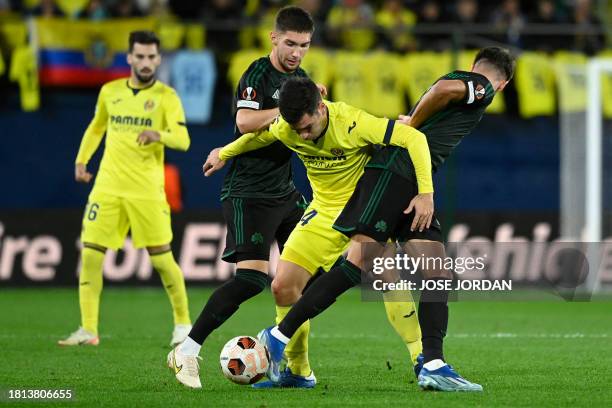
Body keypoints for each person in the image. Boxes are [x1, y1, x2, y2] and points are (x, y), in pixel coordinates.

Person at [258, 46, 516, 392]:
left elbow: (441, 91)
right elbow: (442, 90)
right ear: (505, 83)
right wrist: (416, 125)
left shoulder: (464, 77)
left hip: (406, 176)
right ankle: (278, 335)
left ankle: (434, 364)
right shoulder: (481, 87)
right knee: (361, 261)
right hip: (396, 173)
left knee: (436, 271)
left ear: (473, 64)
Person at [202, 76, 434, 386]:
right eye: (297, 130)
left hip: (364, 208)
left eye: (307, 128)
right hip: (323, 211)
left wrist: (426, 193)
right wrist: (225, 152)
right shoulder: (289, 127)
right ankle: (298, 372)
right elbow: (259, 138)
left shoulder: (353, 122)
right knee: (282, 286)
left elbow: (413, 138)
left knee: (387, 277)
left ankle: (422, 357)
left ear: (321, 109)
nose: (303, 136)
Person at [167, 6, 315, 390]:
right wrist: (291, 106)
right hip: (249, 192)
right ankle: (187, 349)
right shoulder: (256, 74)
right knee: (251, 280)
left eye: (304, 45)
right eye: (290, 43)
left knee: (307, 278)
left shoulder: (301, 79)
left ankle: (297, 369)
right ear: (273, 38)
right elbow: (245, 123)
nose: (296, 52)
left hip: (285, 191)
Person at [58, 31, 192, 348]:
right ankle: (88, 329)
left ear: (158, 59)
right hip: (107, 187)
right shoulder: (110, 91)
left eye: (151, 57)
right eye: (140, 56)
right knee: (90, 255)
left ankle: (183, 324)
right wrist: (81, 160)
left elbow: (183, 140)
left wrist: (158, 134)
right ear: (130, 57)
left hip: (146, 190)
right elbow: (97, 127)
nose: (146, 62)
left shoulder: (166, 97)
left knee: (161, 260)